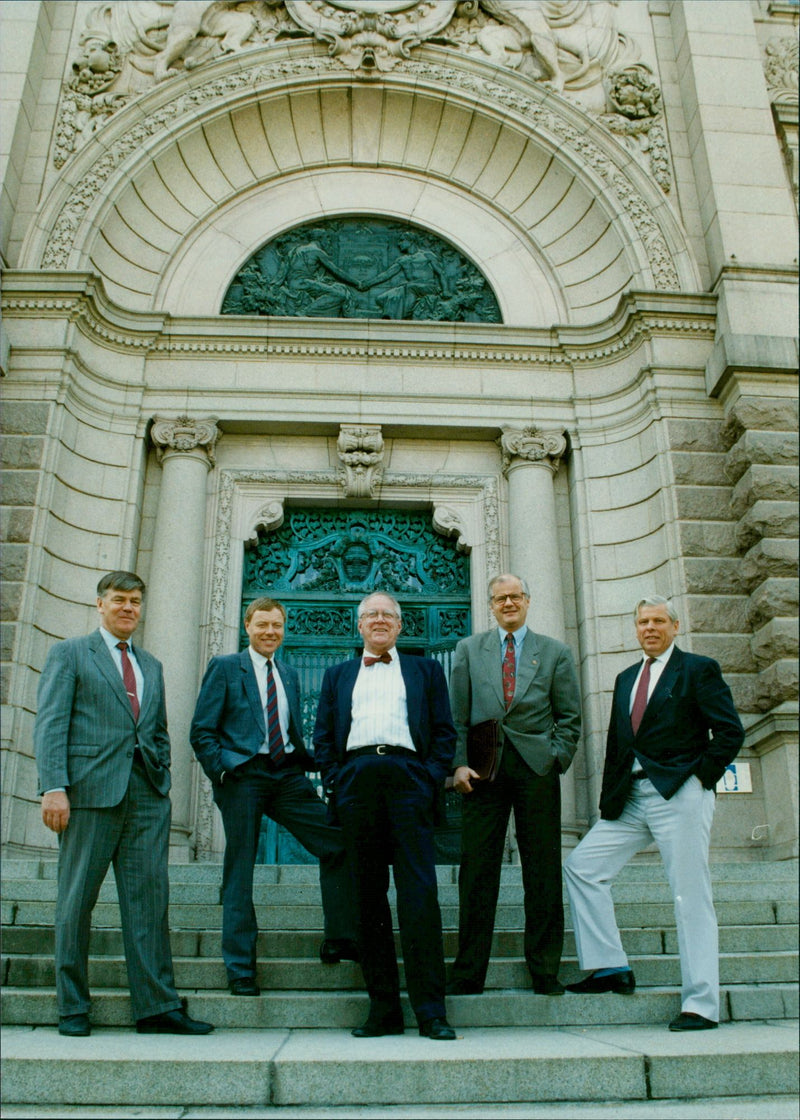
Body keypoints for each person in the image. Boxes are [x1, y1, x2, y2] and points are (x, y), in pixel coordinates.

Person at [34, 571, 214, 1037]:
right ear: (100, 604)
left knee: (149, 903)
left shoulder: (150, 665)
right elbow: (51, 723)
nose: (128, 608)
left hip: (145, 798)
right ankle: (73, 1007)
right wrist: (53, 786)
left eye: (135, 601)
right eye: (119, 600)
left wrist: (163, 781)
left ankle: (157, 1007)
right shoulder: (70, 653)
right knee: (76, 902)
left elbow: (156, 730)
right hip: (88, 795)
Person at [564, 596, 745, 1031]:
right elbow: (618, 745)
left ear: (675, 626)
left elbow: (729, 730)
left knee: (689, 894)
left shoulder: (698, 669)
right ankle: (609, 965)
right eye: (643, 622)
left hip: (678, 793)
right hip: (631, 797)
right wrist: (609, 800)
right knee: (582, 866)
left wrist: (700, 778)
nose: (649, 628)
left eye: (658, 621)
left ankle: (701, 1003)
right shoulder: (627, 678)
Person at [190, 596, 357, 996]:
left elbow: (290, 733)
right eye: (262, 624)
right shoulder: (226, 667)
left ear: (284, 629)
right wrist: (224, 769)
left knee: (337, 842)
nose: (269, 632)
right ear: (247, 625)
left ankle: (340, 937)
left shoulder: (290, 673)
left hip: (286, 774)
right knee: (241, 867)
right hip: (243, 775)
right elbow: (202, 730)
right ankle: (241, 968)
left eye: (277, 626)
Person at [313, 592, 457, 1041]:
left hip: (409, 782)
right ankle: (383, 1011)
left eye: (387, 615)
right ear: (359, 626)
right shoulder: (337, 675)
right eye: (371, 615)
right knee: (367, 901)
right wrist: (337, 779)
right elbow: (322, 735)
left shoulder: (426, 670)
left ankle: (431, 1012)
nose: (379, 620)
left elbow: (444, 732)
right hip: (356, 784)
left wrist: (430, 778)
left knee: (419, 897)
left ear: (400, 625)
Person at [447, 574, 582, 996]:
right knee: (477, 873)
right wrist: (458, 766)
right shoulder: (468, 650)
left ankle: (544, 970)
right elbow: (455, 716)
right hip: (482, 773)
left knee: (542, 872)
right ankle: (469, 973)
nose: (508, 603)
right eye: (500, 598)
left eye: (515, 596)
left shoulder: (556, 653)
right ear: (491, 604)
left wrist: (555, 757)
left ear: (528, 600)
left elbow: (570, 718)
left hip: (535, 770)